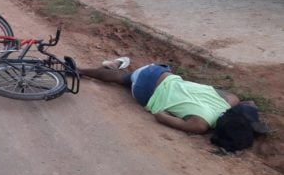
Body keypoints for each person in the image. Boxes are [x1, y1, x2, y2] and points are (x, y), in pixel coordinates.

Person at [79, 59, 267, 152]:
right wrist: (167, 105)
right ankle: (114, 70)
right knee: (124, 80)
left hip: (158, 72)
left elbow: (249, 103)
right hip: (144, 92)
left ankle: (83, 70)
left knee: (133, 75)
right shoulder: (200, 124)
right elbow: (160, 116)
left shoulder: (230, 99)